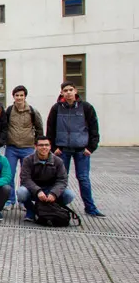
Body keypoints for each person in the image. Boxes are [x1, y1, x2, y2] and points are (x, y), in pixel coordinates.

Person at [46, 81, 104, 217]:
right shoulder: (56, 108)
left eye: (70, 90)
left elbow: (94, 128)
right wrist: (54, 148)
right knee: (60, 179)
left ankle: (90, 207)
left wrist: (91, 147)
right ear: (61, 93)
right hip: (62, 150)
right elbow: (50, 129)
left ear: (76, 91)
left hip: (81, 150)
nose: (68, 93)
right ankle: (59, 206)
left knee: (83, 178)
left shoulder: (86, 108)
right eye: (65, 90)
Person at [17, 135, 77, 222]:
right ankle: (31, 210)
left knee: (69, 195)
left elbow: (62, 180)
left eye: (46, 145)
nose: (44, 147)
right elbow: (25, 179)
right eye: (41, 145)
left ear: (50, 146)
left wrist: (54, 193)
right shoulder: (28, 160)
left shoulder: (58, 161)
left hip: (51, 189)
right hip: (34, 190)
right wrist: (38, 191)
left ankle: (52, 209)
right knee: (21, 192)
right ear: (36, 146)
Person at [5, 85, 43, 209]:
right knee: (9, 174)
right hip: (12, 147)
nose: (19, 97)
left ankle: (23, 201)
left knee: (26, 175)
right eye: (17, 95)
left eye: (21, 95)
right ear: (13, 97)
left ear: (25, 96)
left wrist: (37, 144)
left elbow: (39, 128)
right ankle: (10, 200)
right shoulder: (9, 110)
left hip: (28, 147)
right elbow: (4, 126)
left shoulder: (32, 111)